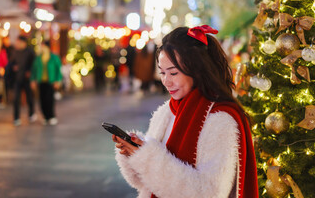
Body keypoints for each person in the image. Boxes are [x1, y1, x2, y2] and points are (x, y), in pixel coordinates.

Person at [111, 26, 258, 198]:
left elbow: (210, 193)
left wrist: (148, 158)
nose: (166, 81)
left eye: (173, 73)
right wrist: (134, 154)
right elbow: (145, 183)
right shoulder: (165, 112)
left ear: (197, 70)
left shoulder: (221, 120)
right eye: (162, 72)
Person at [31, 41, 62, 125]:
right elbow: (34, 70)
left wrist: (58, 80)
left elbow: (58, 70)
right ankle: (45, 116)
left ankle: (51, 116)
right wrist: (33, 80)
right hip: (41, 81)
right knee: (42, 100)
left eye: (43, 46)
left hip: (50, 82)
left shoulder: (54, 57)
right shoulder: (38, 58)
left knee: (49, 100)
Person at [12, 36, 36, 126]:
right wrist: (13, 67)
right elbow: (12, 62)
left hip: (27, 79)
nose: (17, 44)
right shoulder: (15, 52)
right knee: (16, 98)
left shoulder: (30, 52)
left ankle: (31, 113)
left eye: (18, 42)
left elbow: (34, 64)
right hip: (17, 78)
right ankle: (16, 117)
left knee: (29, 96)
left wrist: (30, 72)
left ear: (23, 43)